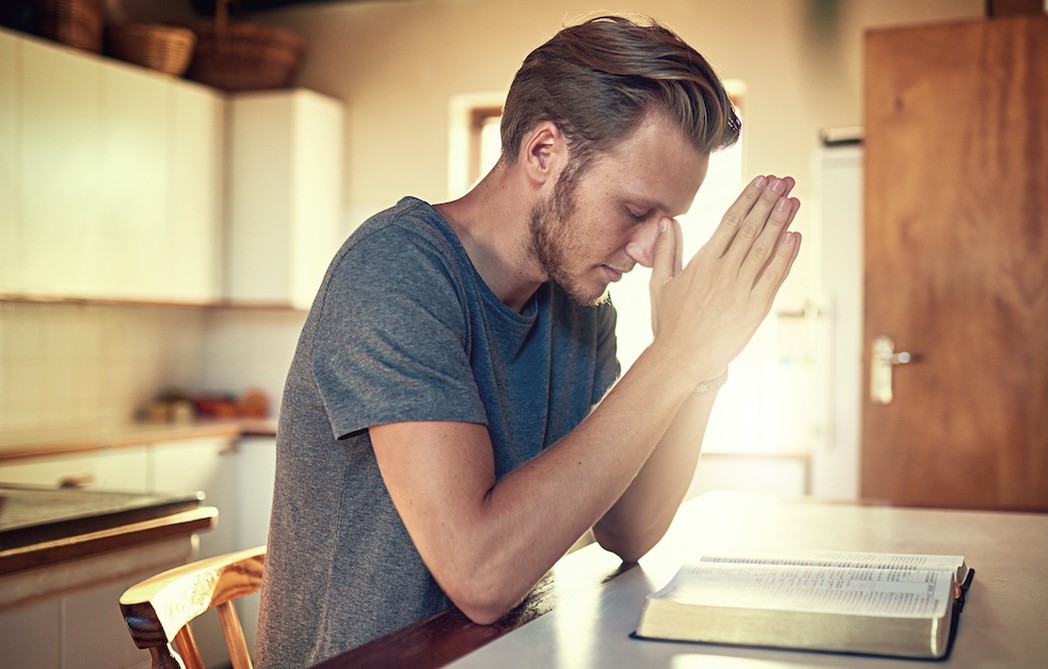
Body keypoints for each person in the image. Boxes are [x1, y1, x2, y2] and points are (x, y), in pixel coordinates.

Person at [255, 14, 801, 667]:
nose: (652, 246)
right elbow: (480, 574)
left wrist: (702, 365)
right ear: (544, 152)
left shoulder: (580, 306)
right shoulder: (395, 272)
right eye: (634, 210)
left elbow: (627, 531)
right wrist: (673, 356)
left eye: (668, 220)